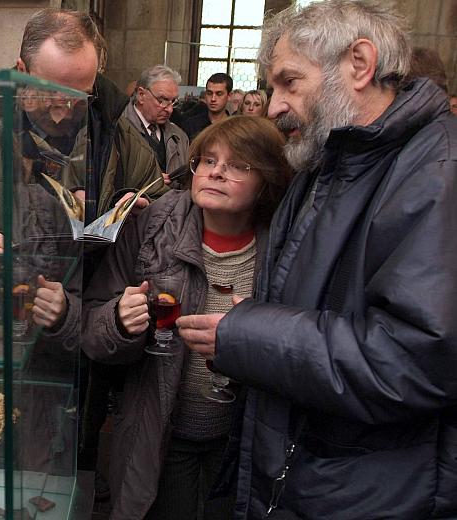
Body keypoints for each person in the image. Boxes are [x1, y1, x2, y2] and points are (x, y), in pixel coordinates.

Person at [180, 1, 457, 518]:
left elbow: (414, 361)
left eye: (289, 82)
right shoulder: (327, 159)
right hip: (309, 470)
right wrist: (255, 314)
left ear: (359, 64)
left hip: (368, 490)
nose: (274, 105)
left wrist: (249, 335)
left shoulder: (436, 174)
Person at [82, 116, 292, 520]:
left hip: (244, 441)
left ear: (266, 179)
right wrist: (120, 321)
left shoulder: (284, 244)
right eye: (208, 160)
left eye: (237, 165)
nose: (215, 172)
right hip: (162, 434)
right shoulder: (152, 226)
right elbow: (91, 328)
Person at [0, 9, 161, 254]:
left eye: (80, 96)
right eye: (50, 93)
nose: (64, 111)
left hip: (92, 301)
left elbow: (164, 207)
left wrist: (140, 210)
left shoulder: (119, 136)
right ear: (22, 70)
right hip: (1, 297)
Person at [125, 65, 189, 186]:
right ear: (141, 95)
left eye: (173, 101)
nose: (170, 109)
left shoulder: (179, 137)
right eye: (162, 100)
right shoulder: (117, 131)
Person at [172, 73, 233, 140]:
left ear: (229, 96)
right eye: (209, 93)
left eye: (219, 94)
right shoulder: (190, 125)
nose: (213, 99)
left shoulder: (235, 127)